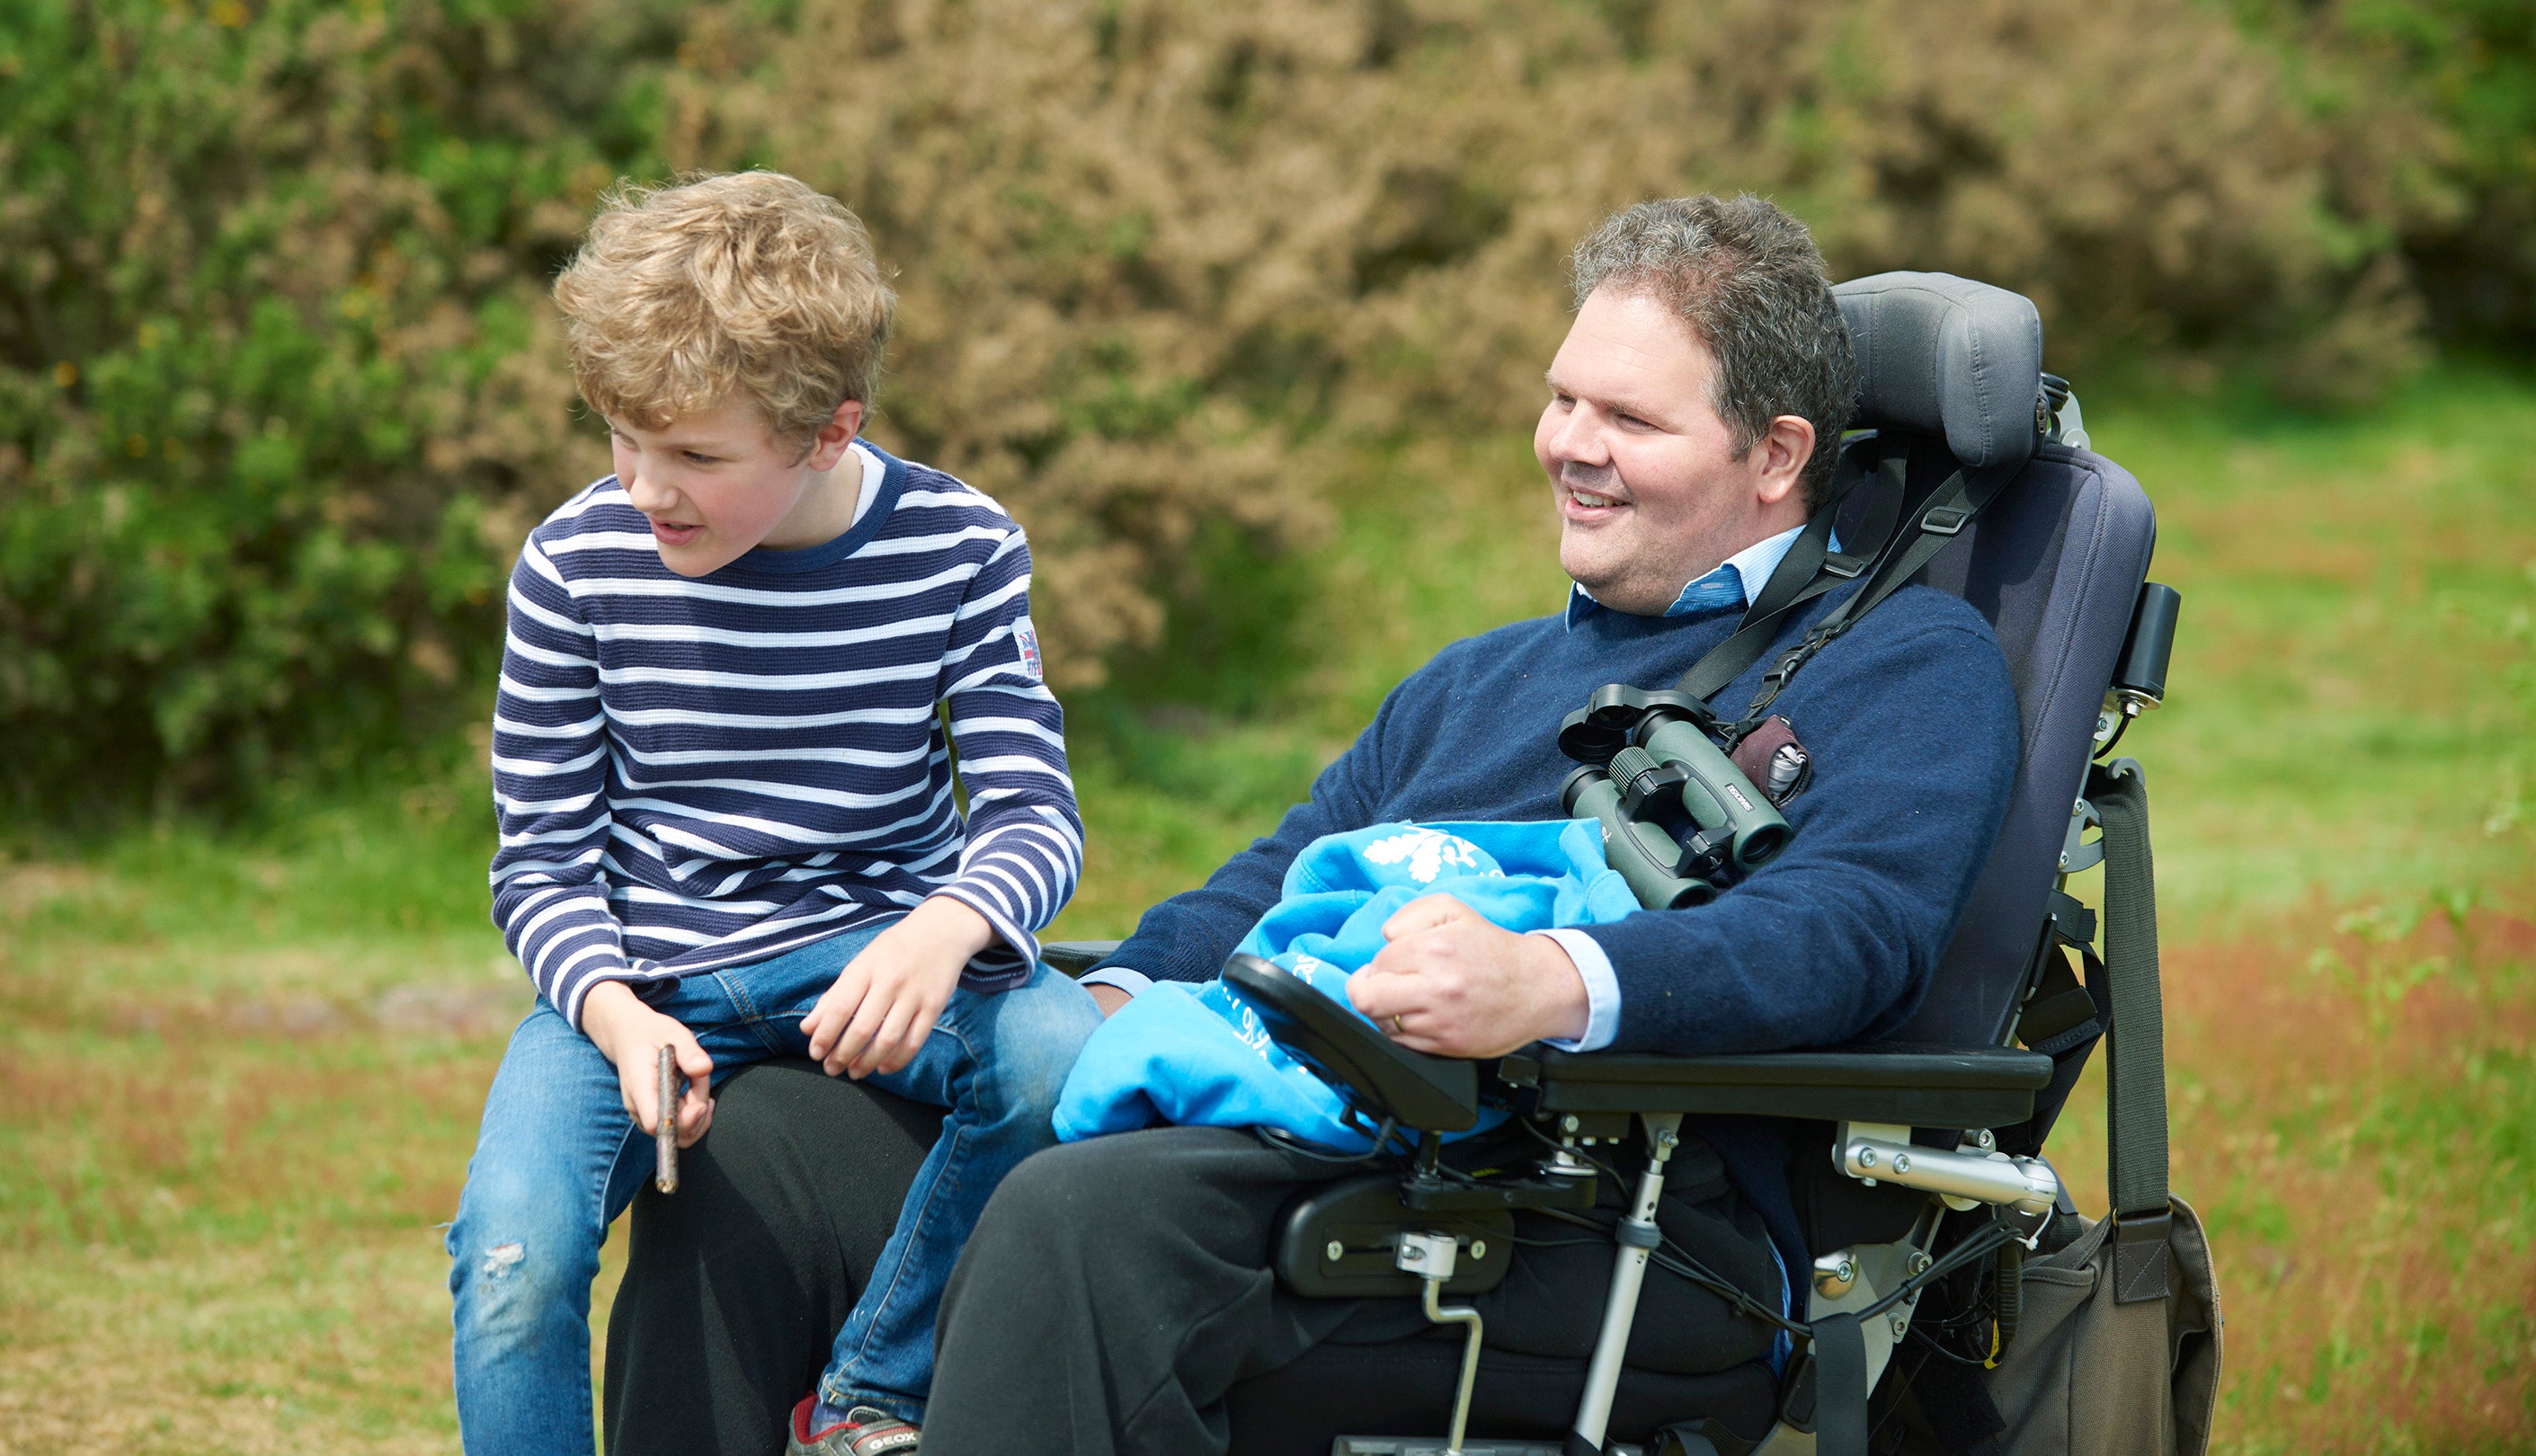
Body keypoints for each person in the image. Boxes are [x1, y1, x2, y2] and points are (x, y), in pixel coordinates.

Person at [600, 193, 2023, 1456]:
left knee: (1086, 1217)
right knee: (765, 1155)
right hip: (1304, 1112)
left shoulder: (1901, 665)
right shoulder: (1483, 678)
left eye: (1629, 421)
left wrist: (1554, 984)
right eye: (1562, 399)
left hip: (1606, 1209)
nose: (1568, 449)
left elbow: (1851, 932)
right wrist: (1098, 996)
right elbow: (1271, 885)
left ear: (1778, 455)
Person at [444, 171, 1100, 1456]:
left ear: (827, 432)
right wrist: (614, 1014)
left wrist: (944, 930)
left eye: (695, 456)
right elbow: (540, 863)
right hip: (644, 982)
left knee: (1063, 1059)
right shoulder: (574, 564)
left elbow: (1034, 814)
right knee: (512, 1259)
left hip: (871, 960)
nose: (645, 487)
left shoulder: (961, 547)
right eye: (621, 440)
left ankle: (874, 1390)